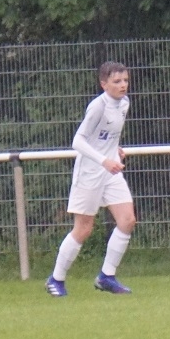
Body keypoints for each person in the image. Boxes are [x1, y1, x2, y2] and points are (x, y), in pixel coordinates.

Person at [45, 62, 136, 297]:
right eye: (117, 81)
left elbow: (107, 136)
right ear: (103, 84)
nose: (123, 85)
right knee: (83, 229)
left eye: (125, 80)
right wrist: (104, 160)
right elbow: (78, 141)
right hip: (90, 173)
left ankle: (106, 277)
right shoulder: (98, 106)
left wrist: (115, 150)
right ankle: (56, 279)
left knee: (127, 220)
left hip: (110, 172)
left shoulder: (124, 103)